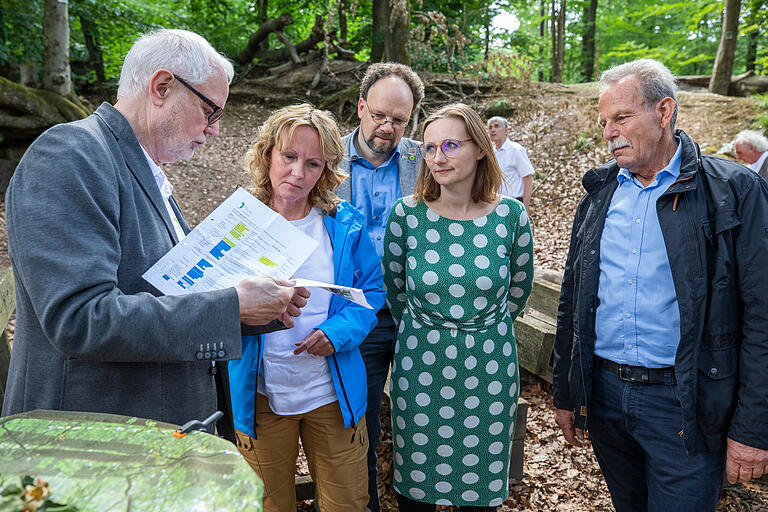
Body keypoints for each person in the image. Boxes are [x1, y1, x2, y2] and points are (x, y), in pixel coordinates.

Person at [2, 29, 309, 432]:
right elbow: (81, 318)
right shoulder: (70, 154)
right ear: (162, 86)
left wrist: (253, 311)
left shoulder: (143, 170)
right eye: (211, 111)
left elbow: (163, 296)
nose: (215, 129)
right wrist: (230, 305)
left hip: (149, 439)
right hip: (92, 446)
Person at [553, 58, 768, 512]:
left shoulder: (735, 191)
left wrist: (752, 428)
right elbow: (574, 298)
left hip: (686, 403)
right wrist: (569, 392)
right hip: (608, 396)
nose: (609, 132)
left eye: (622, 117)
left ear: (665, 111)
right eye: (604, 122)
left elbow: (762, 316)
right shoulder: (599, 194)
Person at [228, 104, 386, 512]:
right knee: (265, 502)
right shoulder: (239, 225)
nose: (298, 173)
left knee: (347, 501)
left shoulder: (343, 225)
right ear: (268, 156)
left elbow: (370, 291)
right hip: (260, 392)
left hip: (330, 393)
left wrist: (336, 334)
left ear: (326, 169)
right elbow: (213, 296)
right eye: (289, 157)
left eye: (312, 163)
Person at [382, 103, 534, 511]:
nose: (437, 157)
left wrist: (476, 328)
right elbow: (397, 293)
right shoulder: (406, 216)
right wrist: (434, 329)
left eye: (450, 144)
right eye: (429, 148)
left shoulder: (511, 216)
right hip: (421, 369)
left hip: (488, 369)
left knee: (479, 494)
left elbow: (518, 293)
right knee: (416, 491)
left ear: (481, 148)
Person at [335, 61, 425, 512]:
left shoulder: (423, 160)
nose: (387, 127)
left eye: (399, 120)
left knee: (420, 427)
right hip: (355, 313)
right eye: (379, 116)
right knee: (360, 425)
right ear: (360, 107)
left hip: (413, 315)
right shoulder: (326, 158)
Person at [487, 116, 534, 208]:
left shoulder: (516, 150)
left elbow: (527, 178)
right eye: (490, 127)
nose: (493, 130)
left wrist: (525, 207)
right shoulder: (491, 153)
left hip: (515, 202)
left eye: (496, 126)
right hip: (497, 203)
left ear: (506, 130)